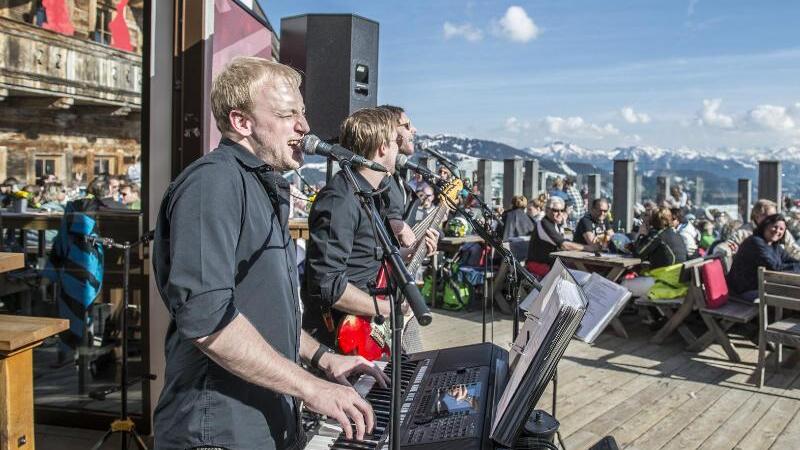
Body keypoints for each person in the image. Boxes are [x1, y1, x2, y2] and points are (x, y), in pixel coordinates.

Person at [151, 57, 387, 450]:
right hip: (217, 431)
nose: (305, 127)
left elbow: (263, 316)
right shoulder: (213, 182)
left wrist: (322, 359)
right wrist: (310, 387)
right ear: (242, 122)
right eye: (287, 114)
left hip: (260, 421)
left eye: (303, 113)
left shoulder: (260, 186)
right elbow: (210, 322)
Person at [303, 108, 438, 351]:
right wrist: (389, 308)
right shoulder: (340, 199)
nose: (399, 149)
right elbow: (328, 285)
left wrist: (416, 251)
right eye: (395, 142)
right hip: (340, 337)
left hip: (365, 328)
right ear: (383, 148)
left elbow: (369, 260)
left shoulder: (371, 197)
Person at [727, 214, 800, 301]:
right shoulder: (755, 242)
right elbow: (773, 267)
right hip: (745, 291)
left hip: (761, 286)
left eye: (781, 229)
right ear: (765, 226)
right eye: (775, 227)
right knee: (792, 293)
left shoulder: (774, 245)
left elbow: (789, 260)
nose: (777, 231)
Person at [713, 199, 800, 270]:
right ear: (756, 216)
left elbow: (793, 250)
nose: (772, 220)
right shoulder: (745, 233)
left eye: (774, 216)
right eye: (768, 216)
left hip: (772, 279)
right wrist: (725, 251)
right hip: (753, 282)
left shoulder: (779, 232)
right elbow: (727, 247)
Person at [622, 207, 688, 299]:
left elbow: (639, 253)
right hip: (677, 282)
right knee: (638, 275)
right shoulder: (676, 235)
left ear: (653, 221)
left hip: (663, 283)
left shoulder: (658, 235)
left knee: (623, 285)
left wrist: (641, 234)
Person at [525, 196, 598, 278]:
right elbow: (564, 245)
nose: (560, 213)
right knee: (582, 277)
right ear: (547, 210)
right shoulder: (544, 223)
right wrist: (588, 248)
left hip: (555, 264)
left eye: (562, 210)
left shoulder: (556, 224)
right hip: (539, 265)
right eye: (556, 210)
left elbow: (570, 238)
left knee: (587, 273)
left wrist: (564, 223)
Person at [379, 105, 419, 243]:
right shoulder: (376, 178)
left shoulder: (398, 177)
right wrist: (397, 227)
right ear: (391, 129)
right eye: (407, 125)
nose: (414, 129)